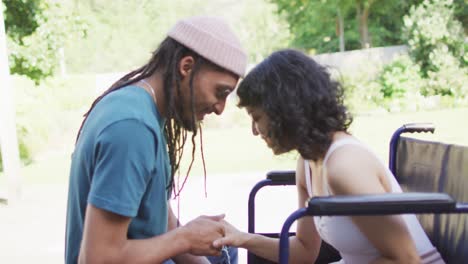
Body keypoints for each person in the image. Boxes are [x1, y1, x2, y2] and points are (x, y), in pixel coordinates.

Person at [213, 49, 444, 264]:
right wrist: (242, 239)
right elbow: (304, 251)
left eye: (256, 117)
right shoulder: (307, 162)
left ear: (283, 111)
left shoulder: (345, 165)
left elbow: (408, 260)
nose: (255, 131)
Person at [65, 16, 247, 264]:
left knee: (224, 251)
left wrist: (190, 240)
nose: (220, 109)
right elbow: (98, 259)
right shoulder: (131, 128)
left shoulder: (143, 109)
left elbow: (159, 218)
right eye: (220, 92)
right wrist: (185, 238)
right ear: (186, 67)